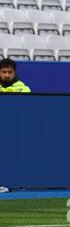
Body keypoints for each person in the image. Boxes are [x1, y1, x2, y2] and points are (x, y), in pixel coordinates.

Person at [0, 58, 31, 193]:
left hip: (14, 131)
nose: (7, 75)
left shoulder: (23, 88)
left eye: (9, 72)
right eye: (3, 72)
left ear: (14, 73)